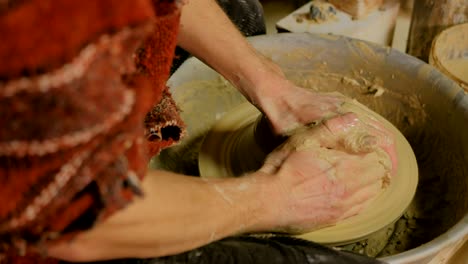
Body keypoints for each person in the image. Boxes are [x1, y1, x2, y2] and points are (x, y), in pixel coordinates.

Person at [0, 0, 395, 263]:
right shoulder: (47, 21)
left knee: (241, 11)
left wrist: (270, 83)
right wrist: (278, 196)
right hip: (38, 233)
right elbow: (73, 221)